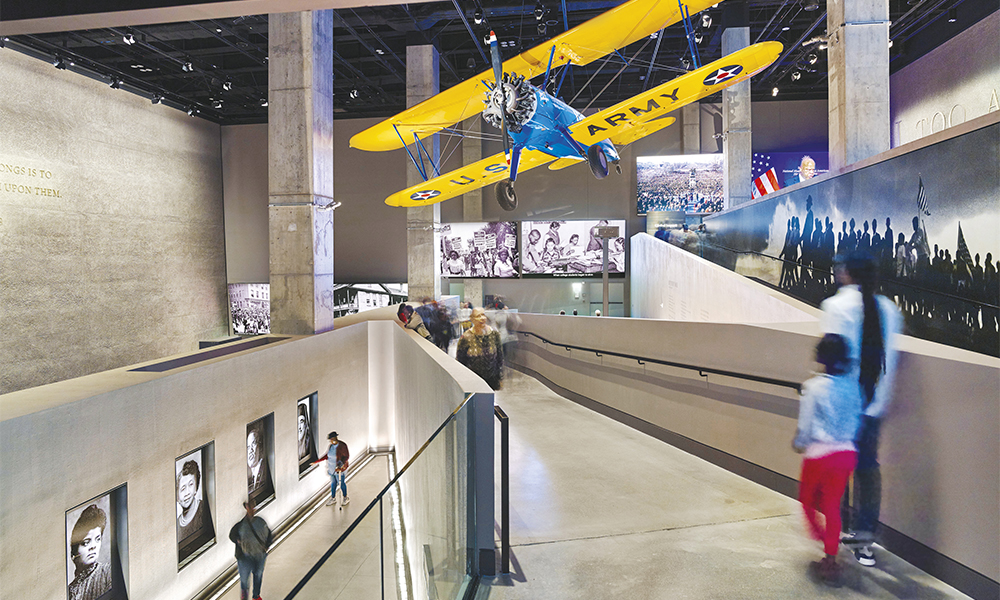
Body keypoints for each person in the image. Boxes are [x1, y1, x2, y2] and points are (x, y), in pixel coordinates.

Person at [820, 251, 902, 567]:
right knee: (868, 471)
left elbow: (830, 357)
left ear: (846, 273)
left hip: (842, 403)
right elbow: (890, 361)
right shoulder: (890, 310)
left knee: (838, 468)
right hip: (875, 402)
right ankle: (864, 541)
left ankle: (837, 530)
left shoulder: (835, 307)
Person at [793, 334, 862, 586]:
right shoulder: (853, 387)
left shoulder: (813, 387)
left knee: (807, 501)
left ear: (821, 357)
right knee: (833, 505)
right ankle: (831, 556)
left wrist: (799, 442)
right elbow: (857, 422)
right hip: (846, 453)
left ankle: (823, 538)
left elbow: (807, 424)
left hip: (819, 454)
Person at [68, 504, 113, 600]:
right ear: (75, 550)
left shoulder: (108, 572)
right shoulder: (69, 590)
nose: (93, 547)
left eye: (97, 539)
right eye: (85, 543)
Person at [229, 499, 272, 600]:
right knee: (244, 581)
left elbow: (269, 535)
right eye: (249, 507)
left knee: (258, 576)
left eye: (252, 507)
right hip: (244, 557)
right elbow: (232, 535)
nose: (251, 510)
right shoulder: (241, 525)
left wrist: (267, 545)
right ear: (246, 509)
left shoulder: (260, 522)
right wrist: (238, 541)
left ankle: (256, 596)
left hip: (259, 555)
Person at [456, 307, 504, 390]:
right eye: (478, 316)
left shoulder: (494, 334)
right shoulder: (466, 337)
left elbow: (500, 357)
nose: (482, 318)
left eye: (483, 315)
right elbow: (460, 360)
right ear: (472, 319)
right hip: (473, 379)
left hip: (491, 378)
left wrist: (500, 377)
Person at [315, 431, 350, 507]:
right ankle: (333, 498)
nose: (330, 441)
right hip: (331, 469)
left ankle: (345, 497)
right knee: (333, 484)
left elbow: (346, 457)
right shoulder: (331, 446)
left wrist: (340, 466)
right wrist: (317, 461)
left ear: (334, 438)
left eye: (331, 439)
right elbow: (327, 456)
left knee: (341, 483)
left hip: (339, 470)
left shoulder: (342, 446)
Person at [177, 460, 209, 543]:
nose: (187, 493)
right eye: (183, 488)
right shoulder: (177, 524)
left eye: (191, 484)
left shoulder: (204, 508)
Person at [246, 427, 270, 498]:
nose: (251, 450)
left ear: (260, 447)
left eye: (253, 444)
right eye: (248, 447)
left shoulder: (265, 470)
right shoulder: (248, 476)